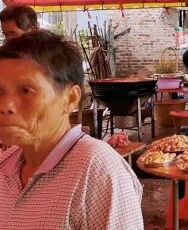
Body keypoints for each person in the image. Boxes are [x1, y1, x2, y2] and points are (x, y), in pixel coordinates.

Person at [0, 31, 143, 229]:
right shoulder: (5, 163)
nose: (5, 105)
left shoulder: (97, 170)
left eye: (26, 90)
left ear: (70, 99)